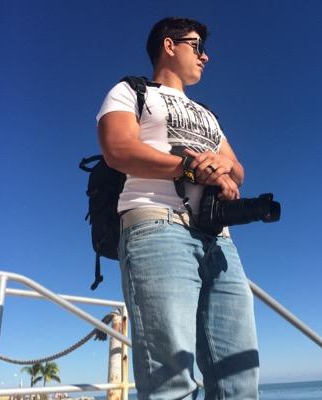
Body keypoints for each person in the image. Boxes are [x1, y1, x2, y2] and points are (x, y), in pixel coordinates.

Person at [97, 17, 259, 400]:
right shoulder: (130, 91)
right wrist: (189, 167)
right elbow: (118, 148)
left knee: (239, 377)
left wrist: (223, 167)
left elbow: (238, 168)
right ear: (169, 46)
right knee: (171, 382)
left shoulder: (207, 114)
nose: (206, 56)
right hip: (157, 227)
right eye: (197, 46)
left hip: (219, 240)